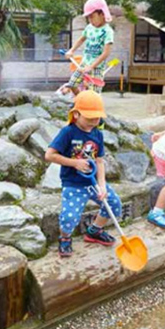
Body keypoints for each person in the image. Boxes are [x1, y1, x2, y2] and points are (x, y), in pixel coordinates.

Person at [45, 90, 122, 257]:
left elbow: (100, 161)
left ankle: (94, 230)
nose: (94, 122)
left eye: (97, 118)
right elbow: (49, 155)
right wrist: (75, 163)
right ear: (76, 114)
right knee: (69, 218)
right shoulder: (68, 132)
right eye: (89, 118)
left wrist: (102, 186)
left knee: (114, 204)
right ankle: (65, 239)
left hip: (92, 181)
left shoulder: (97, 134)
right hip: (73, 183)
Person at [62, 0, 114, 95]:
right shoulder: (89, 27)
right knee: (72, 84)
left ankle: (92, 107)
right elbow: (81, 39)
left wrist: (91, 66)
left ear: (102, 13)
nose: (90, 20)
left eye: (92, 16)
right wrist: (71, 50)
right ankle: (80, 100)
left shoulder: (108, 31)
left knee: (94, 94)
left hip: (97, 67)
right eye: (88, 17)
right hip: (84, 64)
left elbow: (106, 53)